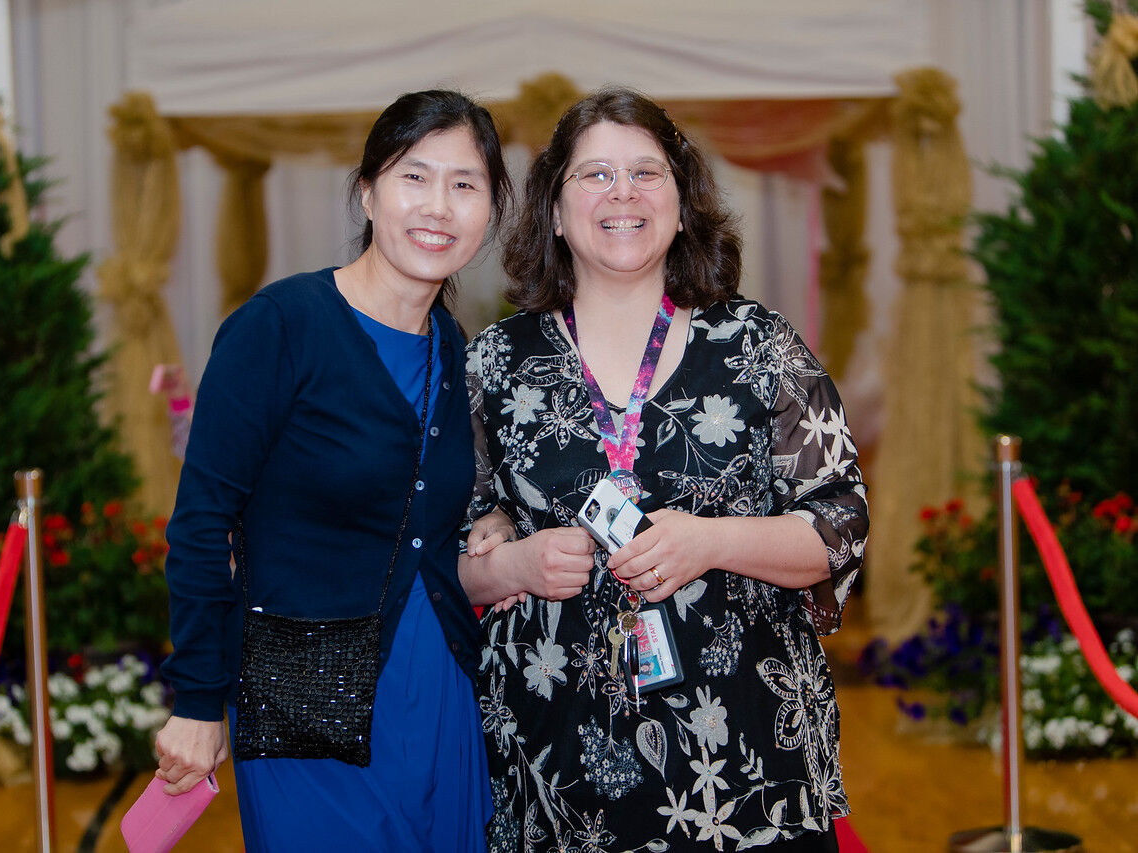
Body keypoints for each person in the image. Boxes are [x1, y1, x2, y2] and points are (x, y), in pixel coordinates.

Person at [460, 88, 868, 852]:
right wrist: (510, 560)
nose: (622, 193)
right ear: (553, 209)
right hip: (556, 765)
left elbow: (840, 523)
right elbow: (443, 558)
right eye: (594, 175)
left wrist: (710, 542)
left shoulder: (756, 345)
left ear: (683, 206)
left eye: (646, 172)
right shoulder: (494, 364)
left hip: (747, 759)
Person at [153, 89, 513, 852]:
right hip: (302, 703)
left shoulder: (452, 346)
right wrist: (197, 698)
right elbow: (199, 522)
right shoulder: (279, 326)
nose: (438, 206)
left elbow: (422, 505)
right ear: (367, 193)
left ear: (489, 211)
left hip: (439, 688)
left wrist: (489, 515)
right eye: (414, 177)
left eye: (464, 184)